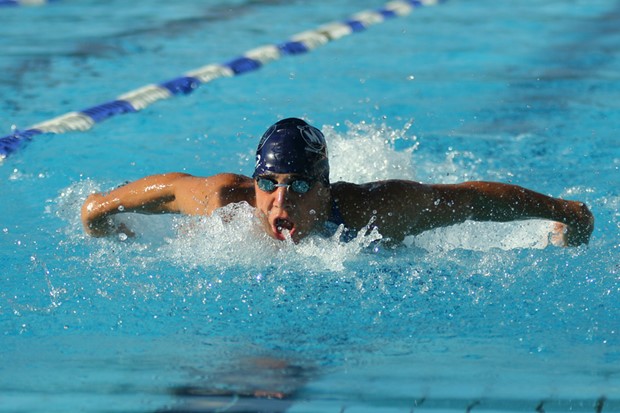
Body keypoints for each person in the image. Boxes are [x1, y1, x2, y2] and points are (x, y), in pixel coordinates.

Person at [81, 117, 594, 246]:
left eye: (300, 186)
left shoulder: (373, 211)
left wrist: (563, 211)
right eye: (269, 184)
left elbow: (467, 201)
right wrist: (100, 212)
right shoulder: (225, 201)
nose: (280, 199)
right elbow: (165, 189)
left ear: (324, 189)